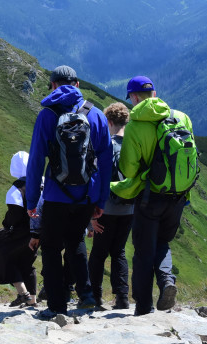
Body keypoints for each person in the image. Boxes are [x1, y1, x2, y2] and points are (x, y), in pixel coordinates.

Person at [25, 65, 112, 317]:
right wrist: (100, 200)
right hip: (86, 196)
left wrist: (32, 199)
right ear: (76, 85)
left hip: (55, 196)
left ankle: (56, 306)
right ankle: (86, 294)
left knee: (51, 248)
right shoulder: (95, 115)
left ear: (53, 86)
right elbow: (106, 162)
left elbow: (36, 161)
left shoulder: (47, 115)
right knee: (75, 241)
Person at [111, 76, 194, 316]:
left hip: (149, 197)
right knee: (163, 243)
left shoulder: (136, 125)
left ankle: (144, 306)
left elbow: (128, 169)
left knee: (143, 251)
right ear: (154, 94)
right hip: (178, 196)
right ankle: (167, 281)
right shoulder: (181, 117)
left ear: (134, 97)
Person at [88, 102, 134, 309]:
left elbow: (96, 179)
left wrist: (91, 214)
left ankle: (95, 297)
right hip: (129, 208)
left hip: (105, 208)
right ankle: (122, 298)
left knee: (99, 253)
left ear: (109, 121)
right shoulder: (133, 145)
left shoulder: (106, 145)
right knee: (119, 252)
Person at [0, 151, 38, 307]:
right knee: (27, 262)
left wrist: (6, 224)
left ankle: (23, 294)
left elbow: (14, 216)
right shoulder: (41, 181)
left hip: (21, 232)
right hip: (40, 230)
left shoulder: (16, 190)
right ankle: (32, 301)